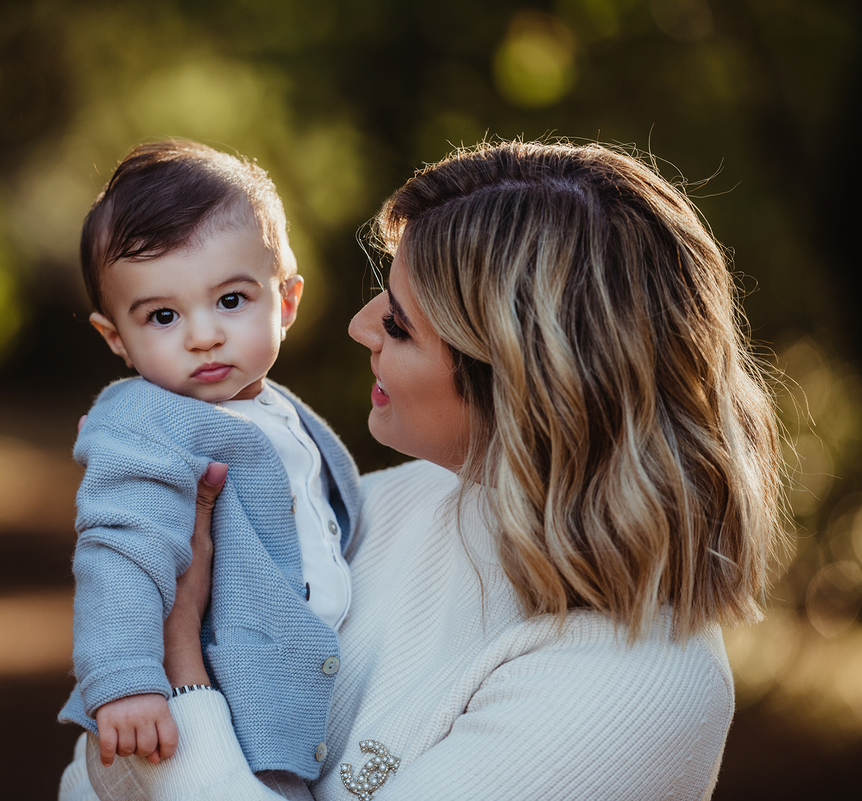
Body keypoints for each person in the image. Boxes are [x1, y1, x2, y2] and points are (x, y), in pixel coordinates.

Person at [59, 139, 784, 800]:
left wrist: (181, 670)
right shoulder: (392, 503)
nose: (359, 325)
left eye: (399, 323)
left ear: (518, 374)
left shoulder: (638, 687)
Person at [58, 140, 361, 788]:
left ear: (285, 300)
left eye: (230, 300)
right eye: (163, 315)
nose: (203, 334)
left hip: (277, 714)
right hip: (192, 719)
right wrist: (125, 683)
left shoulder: (279, 410)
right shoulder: (148, 420)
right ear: (117, 338)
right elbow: (119, 551)